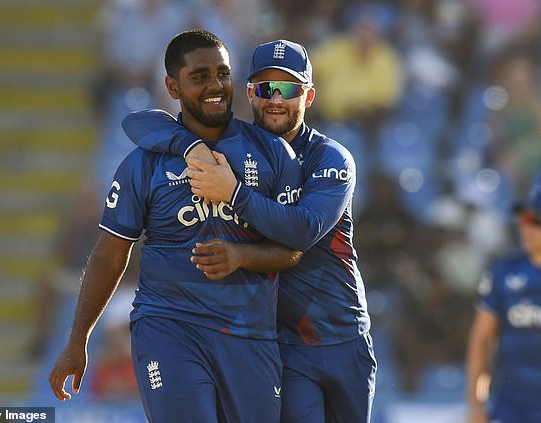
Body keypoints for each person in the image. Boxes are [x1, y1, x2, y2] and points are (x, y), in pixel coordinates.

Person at [49, 29, 305, 423]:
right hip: (170, 329)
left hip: (250, 335)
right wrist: (77, 339)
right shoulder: (144, 163)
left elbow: (293, 249)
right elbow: (110, 252)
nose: (215, 85)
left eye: (222, 73)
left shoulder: (272, 154)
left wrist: (242, 256)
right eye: (199, 76)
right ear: (172, 86)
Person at [123, 39, 376, 423]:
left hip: (346, 335)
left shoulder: (330, 157)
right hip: (286, 343)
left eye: (287, 89)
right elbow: (139, 121)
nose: (275, 99)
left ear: (308, 97)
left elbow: (303, 231)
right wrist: (189, 147)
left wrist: (235, 193)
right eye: (264, 89)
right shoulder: (235, 150)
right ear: (248, 94)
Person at [466, 170, 541, 423]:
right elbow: (481, 339)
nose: (527, 229)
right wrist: (476, 406)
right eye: (524, 220)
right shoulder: (504, 271)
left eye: (536, 221)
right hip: (510, 406)